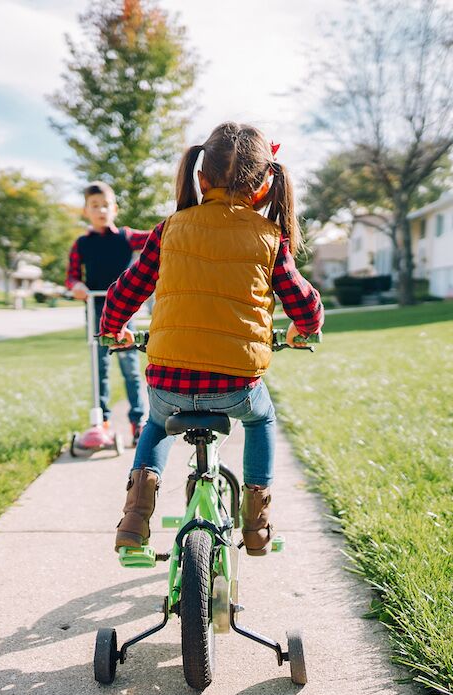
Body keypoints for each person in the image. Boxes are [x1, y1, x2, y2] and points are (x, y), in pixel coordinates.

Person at [99, 122, 324, 556]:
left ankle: (134, 518)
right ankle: (256, 523)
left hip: (169, 381)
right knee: (262, 419)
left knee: (155, 423)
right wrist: (304, 330)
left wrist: (115, 330)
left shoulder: (169, 230)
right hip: (236, 386)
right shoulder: (270, 238)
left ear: (201, 179)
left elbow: (125, 291)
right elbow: (303, 302)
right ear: (263, 187)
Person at [66, 181, 152, 441]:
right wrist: (76, 285)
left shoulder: (127, 237)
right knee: (100, 367)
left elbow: (156, 238)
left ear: (114, 209)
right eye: (95, 206)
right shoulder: (81, 244)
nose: (101, 210)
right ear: (86, 211)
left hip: (125, 311)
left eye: (105, 205)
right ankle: (100, 421)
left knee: (130, 368)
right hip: (96, 310)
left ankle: (138, 421)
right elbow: (71, 277)